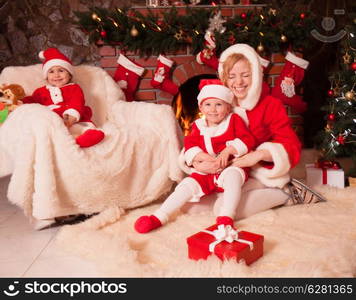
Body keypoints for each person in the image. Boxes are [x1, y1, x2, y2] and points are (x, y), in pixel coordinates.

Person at [182, 44, 325, 218]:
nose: (238, 82)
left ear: (256, 76)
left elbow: (291, 145)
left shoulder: (271, 105)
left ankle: (287, 194)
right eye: (232, 76)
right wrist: (196, 159)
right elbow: (200, 135)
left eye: (245, 75)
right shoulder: (220, 104)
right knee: (190, 207)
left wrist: (258, 155)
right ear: (224, 78)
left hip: (257, 173)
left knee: (222, 209)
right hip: (227, 172)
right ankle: (230, 195)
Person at [134, 79, 256, 233]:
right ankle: (159, 216)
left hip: (229, 167)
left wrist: (229, 150)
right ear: (201, 107)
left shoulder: (234, 120)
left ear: (227, 107)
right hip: (206, 171)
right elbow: (190, 146)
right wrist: (202, 157)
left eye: (218, 104)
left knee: (233, 178)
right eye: (208, 105)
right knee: (185, 186)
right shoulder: (198, 126)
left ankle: (226, 218)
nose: (213, 110)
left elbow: (247, 140)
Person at [22, 48, 105, 148]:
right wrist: (19, 102)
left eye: (61, 71)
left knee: (81, 128)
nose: (56, 75)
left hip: (73, 119)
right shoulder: (41, 91)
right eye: (51, 72)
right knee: (48, 128)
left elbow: (77, 101)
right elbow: (32, 101)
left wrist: (71, 117)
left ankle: (87, 137)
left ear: (69, 75)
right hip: (54, 120)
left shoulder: (74, 88)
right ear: (46, 76)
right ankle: (65, 140)